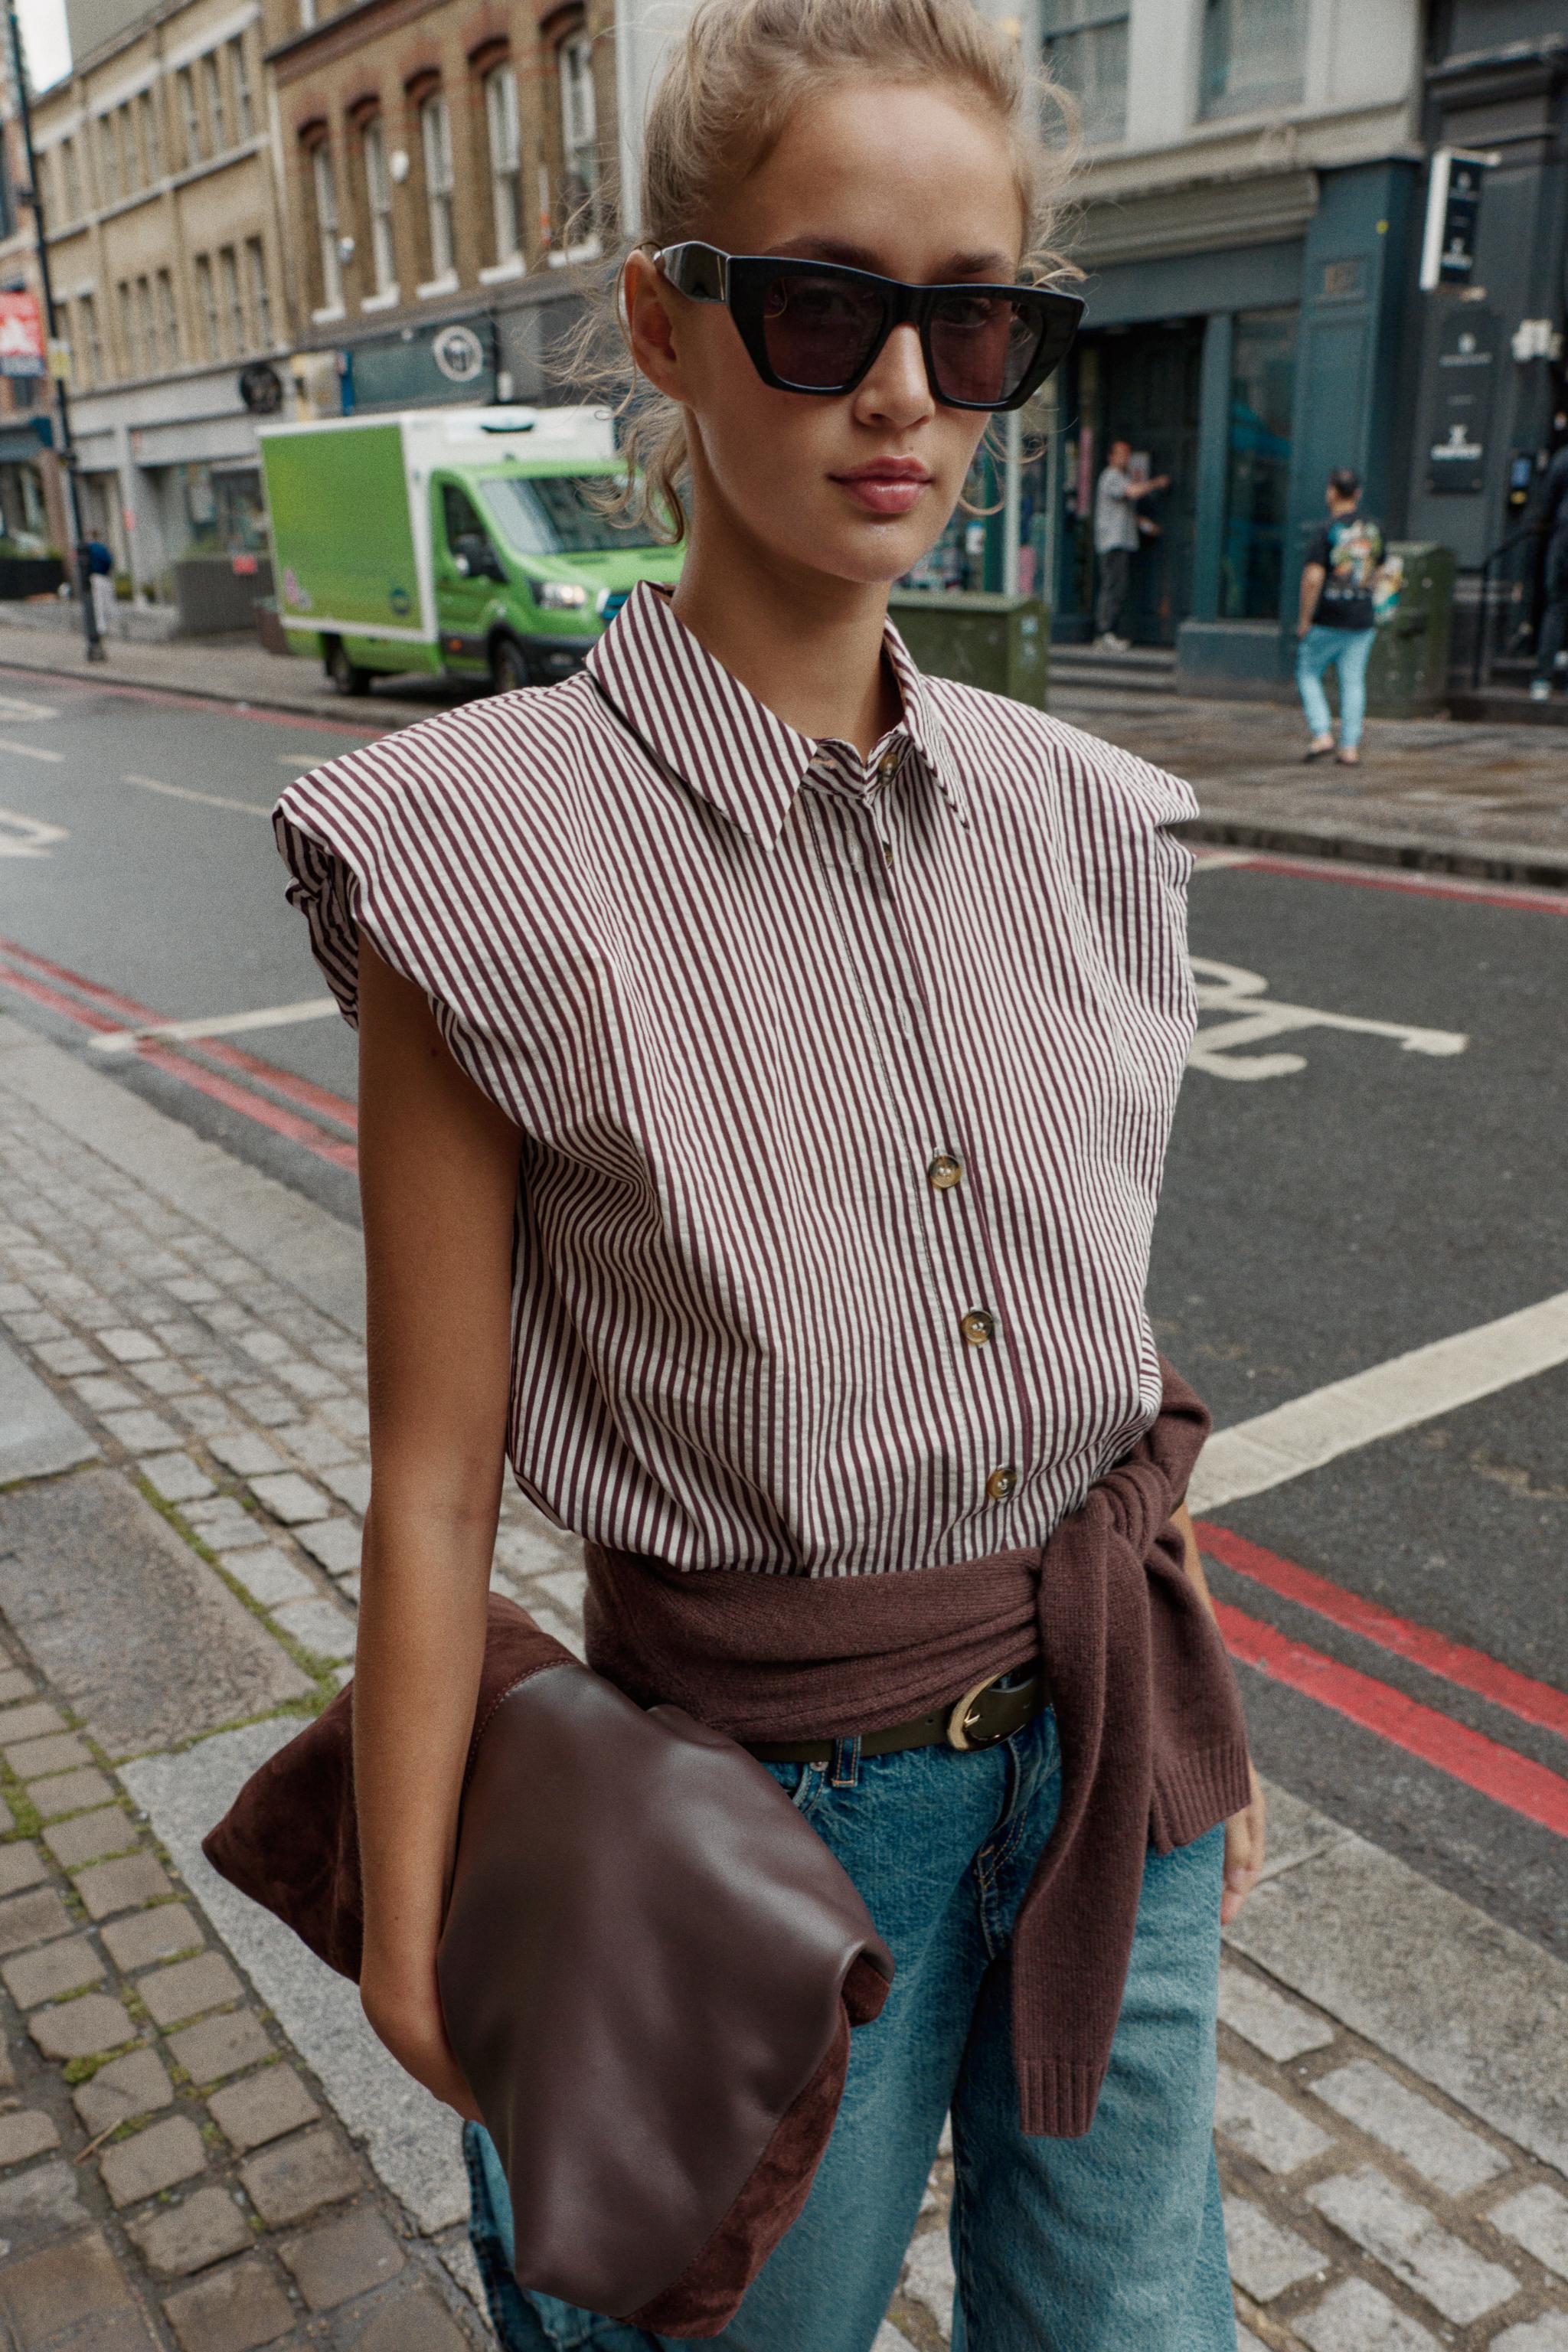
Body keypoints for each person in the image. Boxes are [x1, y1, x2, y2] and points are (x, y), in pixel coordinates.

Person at [271, 1, 1265, 2345]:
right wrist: (412, 1939)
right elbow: (432, 1480)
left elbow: (1107, 1358)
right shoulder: (476, 854)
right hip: (743, 1832)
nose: (899, 391)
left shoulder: (1092, 824)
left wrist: (1195, 1731)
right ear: (669, 319)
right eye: (824, 311)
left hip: (1114, 1763)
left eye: (974, 321)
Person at [1295, 467, 1384, 766]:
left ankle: (1322, 734)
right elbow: (1381, 572)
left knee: (1308, 673)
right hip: (1361, 618)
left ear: (1331, 492)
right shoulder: (1375, 529)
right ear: (1357, 494)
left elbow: (1312, 577)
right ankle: (1350, 748)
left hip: (1328, 618)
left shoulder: (1325, 530)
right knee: (1353, 682)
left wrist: (1305, 619)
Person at [1093, 436, 1168, 648]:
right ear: (1111, 457)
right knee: (1113, 587)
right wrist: (1156, 483)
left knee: (1120, 587)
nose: (1125, 458)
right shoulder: (1111, 477)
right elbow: (1132, 492)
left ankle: (1109, 632)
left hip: (1123, 540)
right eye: (1121, 454)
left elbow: (1126, 512)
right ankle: (1105, 632)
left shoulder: (1123, 477)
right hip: (1112, 542)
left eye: (1128, 454)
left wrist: (1146, 526)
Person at [1527, 440, 1568, 702]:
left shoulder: (1564, 457)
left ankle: (1543, 677)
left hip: (1563, 538)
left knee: (1556, 607)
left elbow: (1547, 498)